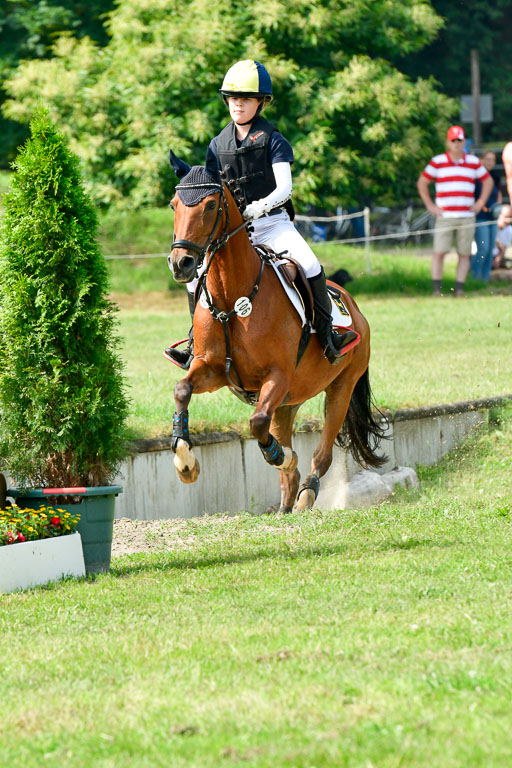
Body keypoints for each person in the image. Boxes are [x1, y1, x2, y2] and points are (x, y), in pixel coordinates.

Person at [166, 59, 357, 369]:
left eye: (245, 99)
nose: (237, 104)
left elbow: (285, 189)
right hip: (233, 231)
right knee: (194, 278)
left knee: (309, 264)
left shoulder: (273, 140)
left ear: (261, 102)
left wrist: (258, 208)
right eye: (232, 98)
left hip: (273, 224)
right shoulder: (217, 145)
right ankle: (195, 343)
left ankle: (329, 334)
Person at [417, 125, 493, 297]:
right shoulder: (438, 161)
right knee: (439, 252)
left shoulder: (473, 162)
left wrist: (480, 202)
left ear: (464, 141)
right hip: (445, 215)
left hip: (466, 216)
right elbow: (422, 182)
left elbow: (487, 181)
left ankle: (459, 290)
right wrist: (430, 205)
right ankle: (437, 290)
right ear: (448, 142)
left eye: (459, 140)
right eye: (453, 140)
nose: (457, 143)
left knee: (464, 253)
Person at [470, 150, 502, 282]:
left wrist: (497, 207)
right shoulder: (476, 178)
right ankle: (474, 277)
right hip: (480, 217)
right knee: (482, 248)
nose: (490, 162)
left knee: (490, 250)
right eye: (487, 159)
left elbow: (498, 195)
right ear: (482, 160)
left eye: (492, 160)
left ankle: (484, 279)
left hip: (493, 218)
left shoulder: (495, 176)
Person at [493, 204, 512, 269]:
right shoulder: (491, 227)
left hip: (495, 256)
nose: (508, 220)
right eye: (506, 217)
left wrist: (497, 260)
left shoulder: (509, 230)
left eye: (510, 217)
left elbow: (503, 250)